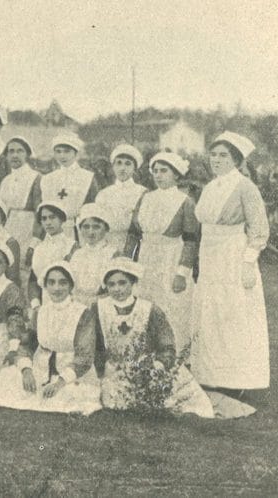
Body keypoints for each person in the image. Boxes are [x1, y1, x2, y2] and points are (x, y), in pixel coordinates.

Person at [191, 133, 270, 395]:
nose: (216, 160)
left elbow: (259, 229)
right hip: (210, 255)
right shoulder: (209, 187)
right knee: (209, 313)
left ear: (236, 159)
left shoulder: (245, 187)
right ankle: (209, 375)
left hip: (232, 255)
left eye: (223, 155)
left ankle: (236, 380)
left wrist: (248, 262)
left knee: (232, 314)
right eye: (213, 154)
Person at [93, 258, 216, 417]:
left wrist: (157, 366)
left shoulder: (149, 309)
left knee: (178, 399)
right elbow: (95, 345)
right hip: (116, 369)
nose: (117, 289)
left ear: (133, 283)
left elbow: (167, 346)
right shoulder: (99, 308)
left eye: (122, 283)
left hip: (149, 367)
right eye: (111, 284)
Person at [0, 261, 102, 415]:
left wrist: (60, 383)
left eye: (62, 283)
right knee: (6, 378)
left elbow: (85, 356)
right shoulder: (40, 312)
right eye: (51, 282)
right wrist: (26, 370)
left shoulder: (83, 313)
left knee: (71, 395)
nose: (56, 288)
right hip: (41, 366)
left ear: (71, 286)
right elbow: (27, 344)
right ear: (45, 286)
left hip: (71, 371)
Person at [124, 151, 198, 352]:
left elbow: (191, 240)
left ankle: (173, 354)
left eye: (164, 171)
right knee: (144, 303)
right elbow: (133, 234)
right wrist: (126, 265)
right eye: (155, 171)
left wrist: (181, 274)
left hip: (171, 258)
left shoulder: (185, 202)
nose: (158, 175)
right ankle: (144, 352)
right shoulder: (145, 197)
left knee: (171, 305)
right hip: (146, 258)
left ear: (176, 174)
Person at [37, 132, 98, 233]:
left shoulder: (87, 177)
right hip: (51, 230)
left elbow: (92, 208)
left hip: (78, 229)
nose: (62, 156)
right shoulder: (48, 179)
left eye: (67, 151)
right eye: (58, 151)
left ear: (75, 153)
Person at [95, 144, 147, 253]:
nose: (122, 168)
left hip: (135, 246)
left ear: (135, 168)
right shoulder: (103, 194)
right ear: (113, 166)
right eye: (118, 163)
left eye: (128, 164)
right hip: (107, 245)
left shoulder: (143, 193)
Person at [64, 203, 117, 306]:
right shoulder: (76, 254)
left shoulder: (113, 254)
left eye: (96, 227)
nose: (91, 232)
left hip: (102, 305)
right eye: (86, 227)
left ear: (106, 229)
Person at [24, 202, 76, 308]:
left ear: (61, 219)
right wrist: (36, 304)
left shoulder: (71, 246)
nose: (48, 222)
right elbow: (33, 280)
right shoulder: (39, 248)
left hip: (67, 304)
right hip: (43, 303)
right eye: (44, 218)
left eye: (52, 217)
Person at [0, 136, 41, 258]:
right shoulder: (6, 181)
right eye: (11, 151)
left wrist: (35, 242)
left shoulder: (36, 178)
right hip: (8, 228)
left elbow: (40, 213)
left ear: (27, 154)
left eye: (19, 151)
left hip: (28, 228)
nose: (15, 155)